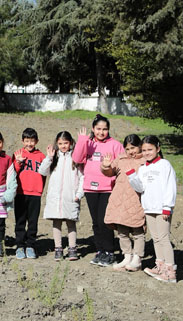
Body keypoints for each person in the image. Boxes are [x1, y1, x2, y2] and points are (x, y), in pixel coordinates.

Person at [72, 114, 124, 267]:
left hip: (107, 188)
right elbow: (76, 159)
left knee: (105, 221)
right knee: (96, 222)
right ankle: (100, 250)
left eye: (105, 129)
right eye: (98, 129)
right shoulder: (87, 143)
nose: (101, 132)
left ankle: (109, 252)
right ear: (93, 129)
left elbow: (122, 163)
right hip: (90, 188)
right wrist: (82, 141)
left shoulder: (115, 144)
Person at [127, 135, 177, 283]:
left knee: (163, 238)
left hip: (162, 209)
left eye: (150, 149)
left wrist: (167, 206)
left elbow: (170, 187)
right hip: (149, 208)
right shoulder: (143, 169)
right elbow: (140, 188)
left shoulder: (165, 165)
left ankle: (170, 271)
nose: (147, 152)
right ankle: (160, 266)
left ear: (158, 149)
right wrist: (132, 176)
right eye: (144, 150)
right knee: (155, 239)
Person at [100, 134, 146, 271]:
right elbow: (109, 172)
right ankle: (127, 256)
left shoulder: (144, 161)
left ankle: (137, 258)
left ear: (139, 147)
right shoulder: (120, 159)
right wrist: (105, 166)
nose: (131, 151)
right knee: (122, 231)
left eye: (133, 148)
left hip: (136, 200)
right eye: (127, 148)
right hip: (119, 200)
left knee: (138, 230)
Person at [39, 131, 84, 261]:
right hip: (55, 197)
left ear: (70, 143)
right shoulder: (54, 158)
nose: (63, 146)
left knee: (71, 223)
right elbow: (42, 171)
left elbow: (82, 178)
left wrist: (79, 194)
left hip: (70, 197)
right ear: (56, 144)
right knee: (56, 222)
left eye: (66, 143)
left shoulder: (76, 158)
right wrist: (49, 158)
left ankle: (72, 248)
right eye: (60, 143)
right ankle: (58, 249)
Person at [12, 128, 46, 259]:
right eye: (27, 141)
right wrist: (18, 162)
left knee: (33, 221)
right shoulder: (18, 153)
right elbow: (13, 172)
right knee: (20, 220)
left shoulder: (41, 156)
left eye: (32, 141)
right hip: (21, 193)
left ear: (36, 141)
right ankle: (20, 246)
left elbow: (44, 173)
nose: (29, 144)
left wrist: (40, 188)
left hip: (35, 194)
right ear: (22, 141)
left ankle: (31, 245)